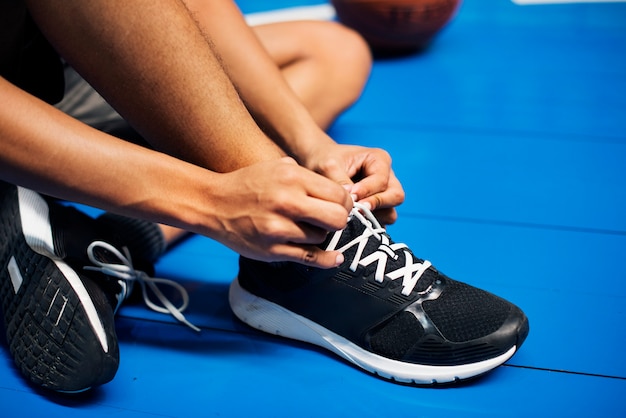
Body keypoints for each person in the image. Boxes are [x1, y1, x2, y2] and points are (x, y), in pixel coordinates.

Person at [0, 0, 529, 393]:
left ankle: (119, 238)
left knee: (335, 51)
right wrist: (209, 199)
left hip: (45, 63)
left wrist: (312, 150)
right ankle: (286, 254)